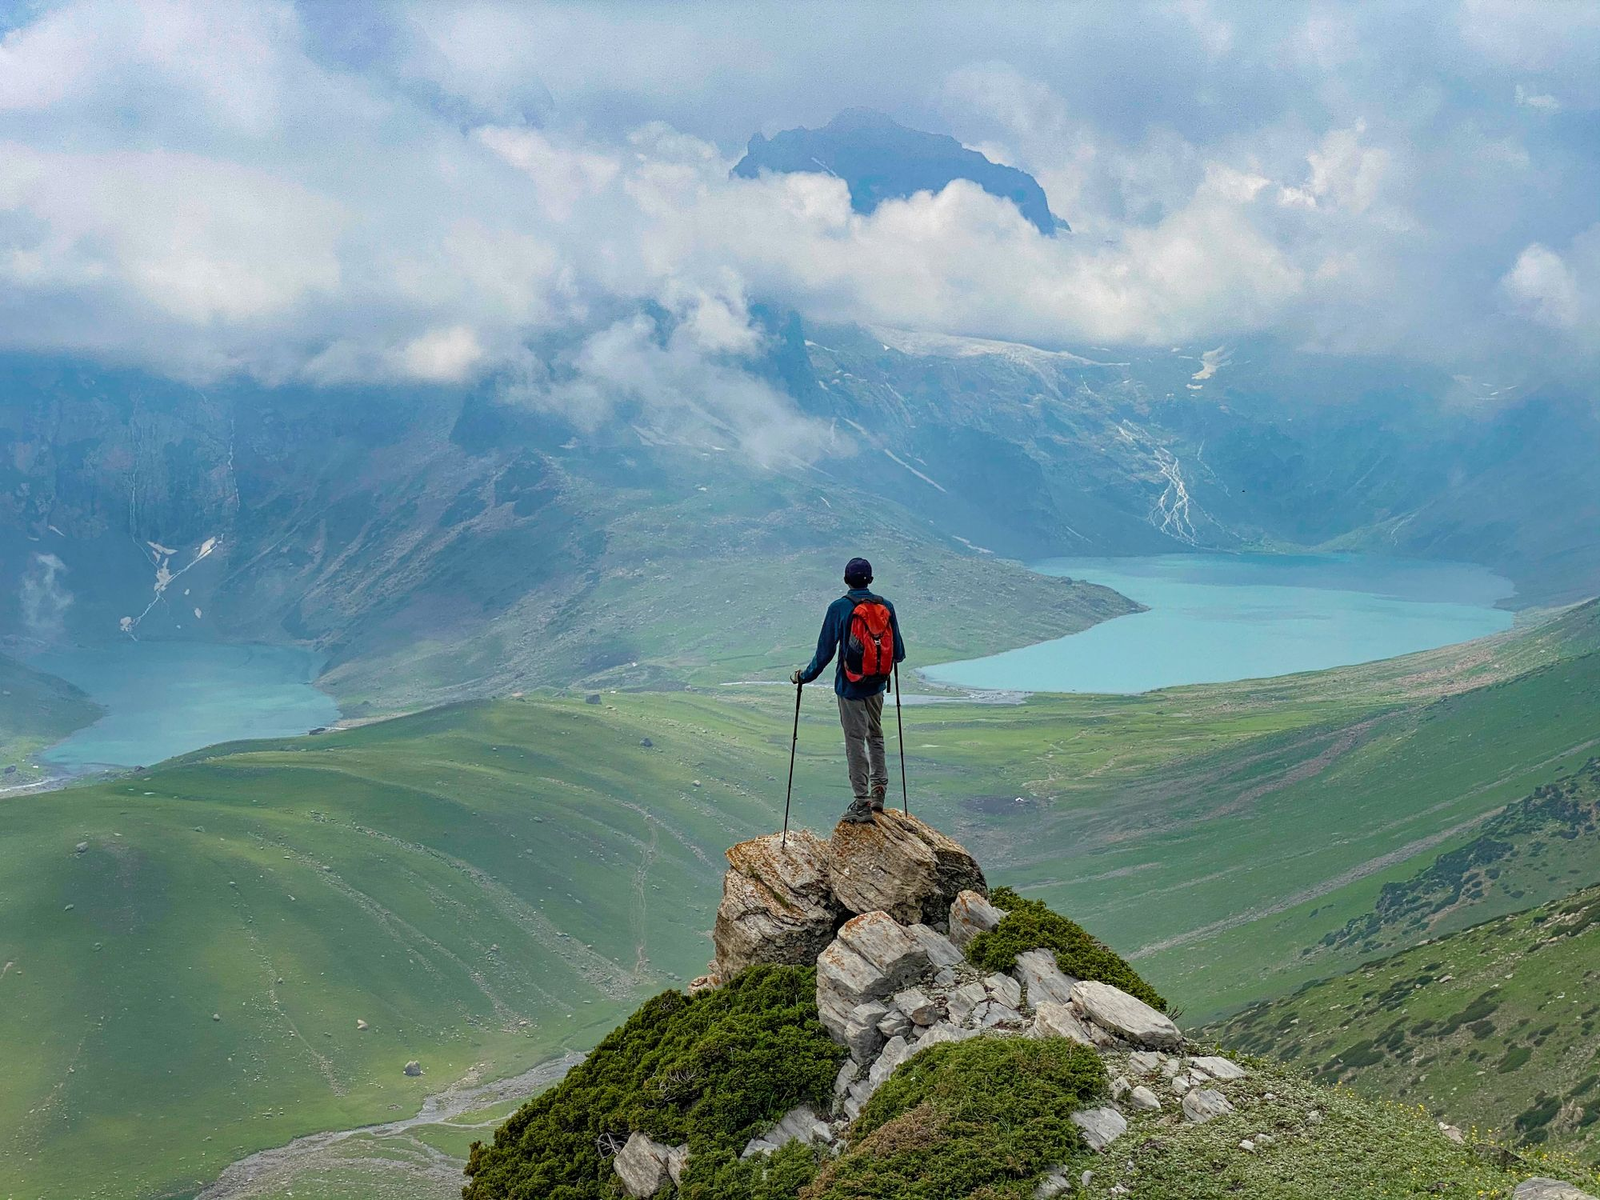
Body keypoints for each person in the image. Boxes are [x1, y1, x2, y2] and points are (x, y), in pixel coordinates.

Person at [791, 556, 906, 824]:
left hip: (850, 686)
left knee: (855, 741)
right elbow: (898, 653)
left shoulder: (839, 608)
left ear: (846, 580)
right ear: (871, 579)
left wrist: (804, 677)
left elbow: (825, 653)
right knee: (875, 734)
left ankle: (861, 803)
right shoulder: (885, 606)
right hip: (877, 684)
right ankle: (879, 791)